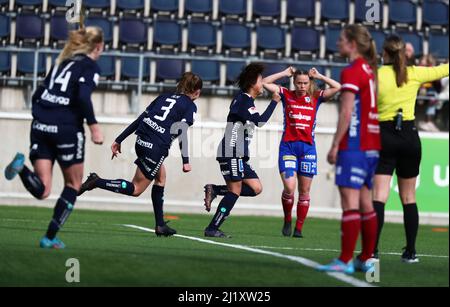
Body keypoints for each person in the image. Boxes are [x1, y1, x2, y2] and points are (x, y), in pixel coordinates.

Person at [4, 26, 105, 249]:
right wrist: (94, 126)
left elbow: (38, 93)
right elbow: (83, 97)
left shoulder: (62, 62)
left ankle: (22, 169)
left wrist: (40, 117)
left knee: (43, 190)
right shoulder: (90, 67)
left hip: (40, 125)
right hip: (66, 128)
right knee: (73, 183)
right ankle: (49, 237)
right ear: (99, 46)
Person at [77, 72, 202, 237]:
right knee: (136, 189)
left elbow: (142, 118)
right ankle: (97, 181)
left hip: (141, 141)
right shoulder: (190, 106)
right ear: (197, 91)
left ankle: (160, 225)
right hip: (156, 147)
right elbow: (182, 130)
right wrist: (186, 160)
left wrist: (119, 139)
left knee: (161, 177)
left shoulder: (164, 97)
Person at [372, 35, 449, 263]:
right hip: (409, 137)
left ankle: (372, 251)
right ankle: (411, 252)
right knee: (409, 197)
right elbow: (444, 70)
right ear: (404, 54)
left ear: (384, 53)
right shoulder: (414, 73)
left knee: (379, 196)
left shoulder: (377, 75)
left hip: (384, 135)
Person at [317, 24, 380, 274]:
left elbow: (346, 112)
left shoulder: (352, 71)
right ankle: (365, 258)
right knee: (367, 203)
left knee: (350, 202)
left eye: (342, 39)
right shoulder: (369, 69)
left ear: (353, 44)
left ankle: (344, 260)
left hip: (354, 145)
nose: (337, 43)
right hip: (372, 146)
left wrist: (335, 145)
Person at [203, 63, 281, 238]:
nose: (262, 84)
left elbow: (253, 120)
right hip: (230, 151)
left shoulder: (248, 101)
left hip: (238, 154)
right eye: (260, 80)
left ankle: (215, 189)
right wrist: (274, 102)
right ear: (253, 83)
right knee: (235, 191)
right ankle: (212, 228)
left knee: (255, 188)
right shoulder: (243, 99)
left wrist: (283, 73)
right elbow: (259, 121)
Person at [261, 67, 341, 238]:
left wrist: (319, 76)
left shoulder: (316, 97)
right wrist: (283, 73)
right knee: (290, 187)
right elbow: (264, 82)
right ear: (294, 82)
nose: (302, 86)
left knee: (304, 191)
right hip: (288, 147)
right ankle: (288, 219)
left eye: (305, 83)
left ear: (309, 83)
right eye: (298, 83)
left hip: (308, 149)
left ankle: (298, 228)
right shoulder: (286, 94)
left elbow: (338, 87)